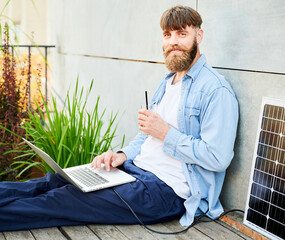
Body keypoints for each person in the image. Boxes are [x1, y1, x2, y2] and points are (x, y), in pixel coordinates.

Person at [0, 5, 238, 231]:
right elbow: (147, 136)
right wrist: (122, 155)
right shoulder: (168, 82)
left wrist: (166, 133)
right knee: (54, 181)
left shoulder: (216, 91)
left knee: (63, 199)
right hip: (134, 170)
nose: (173, 41)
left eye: (182, 33)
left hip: (166, 192)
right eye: (167, 35)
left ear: (199, 36)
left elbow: (218, 158)